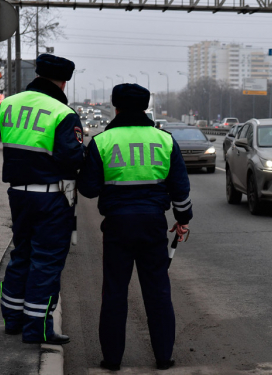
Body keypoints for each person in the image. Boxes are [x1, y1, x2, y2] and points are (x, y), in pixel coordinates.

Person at [77, 83, 192, 371]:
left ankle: (112, 359)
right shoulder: (164, 140)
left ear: (115, 107)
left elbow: (89, 189)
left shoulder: (103, 142)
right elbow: (180, 187)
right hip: (153, 223)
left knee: (114, 291)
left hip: (117, 225)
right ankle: (164, 357)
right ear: (144, 107)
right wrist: (183, 219)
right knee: (157, 291)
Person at [0, 54, 85, 345]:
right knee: (46, 261)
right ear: (63, 82)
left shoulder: (8, 104)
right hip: (50, 199)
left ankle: (12, 319)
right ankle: (38, 329)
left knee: (21, 254)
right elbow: (71, 158)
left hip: (17, 194)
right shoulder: (62, 112)